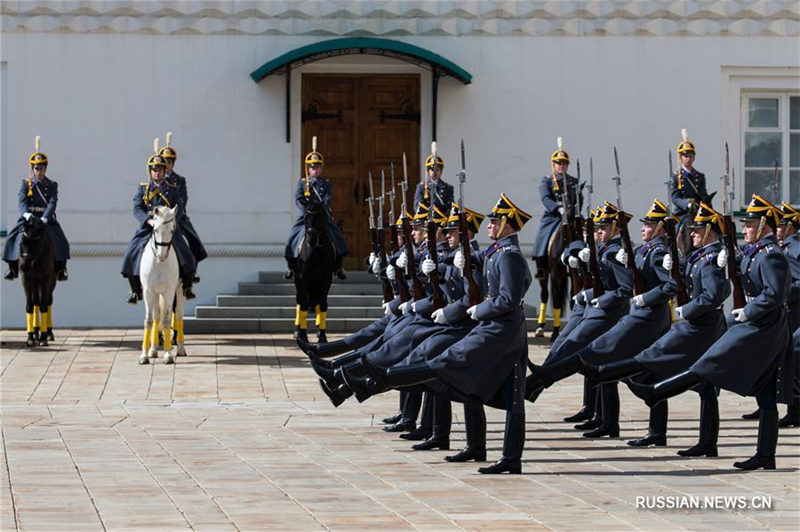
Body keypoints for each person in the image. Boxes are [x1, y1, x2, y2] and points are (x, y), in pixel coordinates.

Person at [337, 194, 533, 474]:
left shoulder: (510, 257)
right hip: (495, 327)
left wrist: (481, 310)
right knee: (472, 383)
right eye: (489, 222)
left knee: (457, 367)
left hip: (503, 330)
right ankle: (477, 447)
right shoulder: (495, 253)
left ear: (508, 226)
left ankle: (378, 379)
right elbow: (470, 262)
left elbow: (508, 299)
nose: (489, 226)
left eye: (495, 222)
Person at [629, 194, 792, 470]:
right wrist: (728, 259)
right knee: (765, 394)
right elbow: (740, 275)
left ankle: (657, 391)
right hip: (757, 323)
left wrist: (749, 311)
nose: (746, 229)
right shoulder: (754, 253)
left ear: (764, 225)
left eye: (750, 224)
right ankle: (765, 455)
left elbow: (775, 294)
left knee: (713, 359)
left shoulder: (772, 255)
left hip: (765, 327)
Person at [591, 202, 730, 456]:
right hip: (697, 323)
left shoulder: (712, 257)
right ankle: (665, 431)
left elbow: (714, 294)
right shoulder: (699, 255)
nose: (693, 234)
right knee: (695, 381)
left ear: (711, 232)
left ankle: (702, 440)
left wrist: (687, 309)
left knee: (704, 383)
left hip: (704, 325)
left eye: (698, 231)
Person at [121, 147, 196, 304]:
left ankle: (187, 287)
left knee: (187, 253)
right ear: (150, 171)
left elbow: (180, 206)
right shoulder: (143, 188)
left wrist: (170, 218)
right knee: (130, 253)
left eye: (160, 169)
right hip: (148, 227)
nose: (157, 173)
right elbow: (137, 207)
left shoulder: (173, 189)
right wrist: (147, 221)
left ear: (164, 171)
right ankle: (135, 291)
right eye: (154, 170)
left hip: (167, 228)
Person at [3, 136, 70, 282]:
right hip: (29, 217)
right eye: (36, 168)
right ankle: (12, 267)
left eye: (41, 168)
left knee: (61, 239)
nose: (38, 170)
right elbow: (21, 201)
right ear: (32, 169)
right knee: (13, 237)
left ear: (45, 168)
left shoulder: (52, 185)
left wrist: (45, 218)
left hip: (45, 218)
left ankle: (61, 269)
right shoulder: (26, 183)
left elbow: (52, 202)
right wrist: (26, 215)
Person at [284, 138, 348, 280]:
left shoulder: (326, 183)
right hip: (307, 216)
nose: (315, 170)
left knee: (338, 236)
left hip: (322, 215)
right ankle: (291, 266)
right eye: (312, 167)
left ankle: (338, 266)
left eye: (318, 167)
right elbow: (298, 199)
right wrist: (307, 211)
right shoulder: (302, 183)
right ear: (308, 169)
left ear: (321, 168)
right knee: (293, 237)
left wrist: (321, 209)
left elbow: (328, 199)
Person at [158, 132, 207, 283]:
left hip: (177, 217)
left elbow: (183, 200)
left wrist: (174, 216)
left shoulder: (179, 180)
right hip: (159, 219)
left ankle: (191, 273)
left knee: (194, 242)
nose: (166, 165)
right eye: (164, 162)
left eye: (169, 162)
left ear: (173, 164)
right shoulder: (153, 181)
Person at [531, 138, 579, 280]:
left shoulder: (573, 181)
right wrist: (557, 208)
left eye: (564, 163)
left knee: (585, 231)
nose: (561, 166)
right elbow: (545, 198)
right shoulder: (547, 180)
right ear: (554, 164)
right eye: (558, 163)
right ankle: (541, 265)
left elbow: (578, 200)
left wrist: (574, 212)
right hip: (554, 215)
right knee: (543, 235)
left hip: (570, 215)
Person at [670, 129, 712, 222]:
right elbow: (675, 197)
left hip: (697, 212)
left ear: (694, 157)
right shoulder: (676, 177)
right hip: (682, 213)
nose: (688, 159)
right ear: (681, 157)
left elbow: (702, 194)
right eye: (686, 156)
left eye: (691, 156)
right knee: (676, 230)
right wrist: (687, 204)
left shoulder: (700, 176)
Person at [413, 150, 454, 215]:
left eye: (437, 170)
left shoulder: (448, 188)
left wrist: (441, 213)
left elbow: (450, 207)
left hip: (442, 220)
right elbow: (417, 206)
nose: (435, 172)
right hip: (426, 220)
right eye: (432, 170)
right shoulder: (421, 187)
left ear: (441, 171)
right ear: (428, 171)